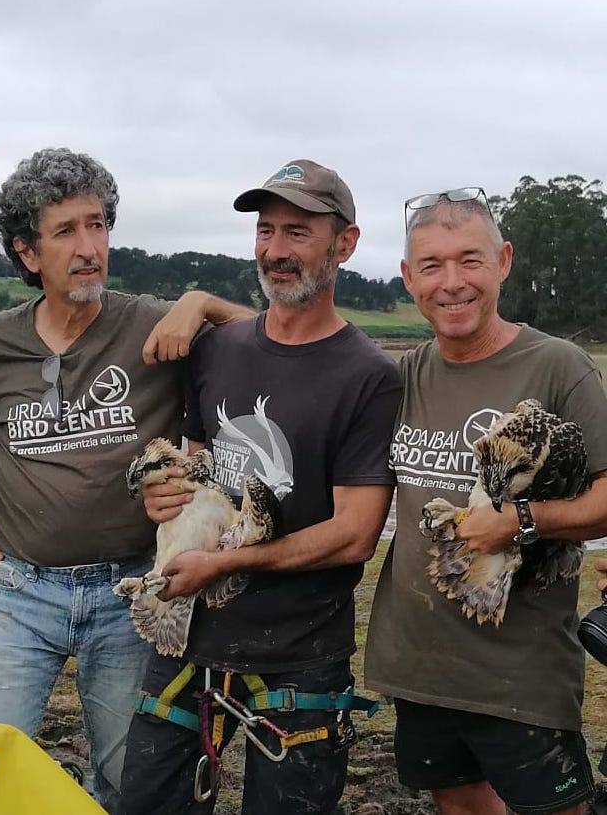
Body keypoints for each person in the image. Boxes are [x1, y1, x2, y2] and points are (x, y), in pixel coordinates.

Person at [0, 147, 252, 812]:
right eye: (66, 231)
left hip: (130, 591)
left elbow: (275, 340)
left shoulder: (152, 323)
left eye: (98, 225)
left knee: (131, 778)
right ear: (28, 252)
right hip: (18, 592)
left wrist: (200, 303)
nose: (89, 247)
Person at [120, 159, 402, 815]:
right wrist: (166, 497)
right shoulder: (217, 349)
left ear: (346, 243)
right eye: (266, 230)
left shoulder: (369, 375)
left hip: (301, 652)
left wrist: (225, 562)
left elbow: (355, 533)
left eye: (298, 232)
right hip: (188, 636)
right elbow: (198, 470)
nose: (276, 249)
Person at [364, 188, 607, 815]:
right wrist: (198, 306)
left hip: (519, 672)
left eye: (469, 261)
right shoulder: (408, 373)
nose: (452, 283)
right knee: (462, 804)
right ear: (408, 278)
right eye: (431, 266)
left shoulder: (559, 367)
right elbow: (308, 341)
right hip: (419, 662)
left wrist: (524, 520)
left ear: (502, 261)